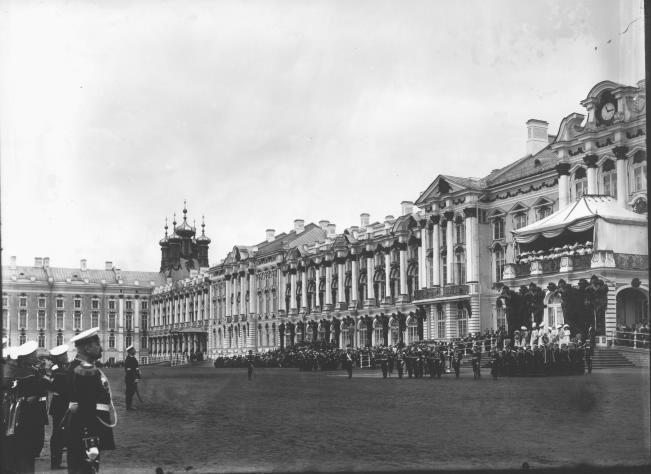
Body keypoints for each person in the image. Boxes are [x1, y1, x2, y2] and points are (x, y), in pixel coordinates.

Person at [65, 327, 116, 474]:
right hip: (86, 430)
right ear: (87, 348)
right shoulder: (83, 370)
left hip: (85, 428)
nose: (101, 348)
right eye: (97, 344)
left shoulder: (79, 367)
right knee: (85, 468)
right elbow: (85, 405)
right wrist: (90, 435)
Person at [4, 341, 49, 473]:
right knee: (27, 453)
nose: (36, 356)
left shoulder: (29, 371)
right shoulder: (27, 374)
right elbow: (45, 386)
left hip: (28, 418)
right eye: (34, 354)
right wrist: (46, 372)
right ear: (27, 358)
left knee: (26, 453)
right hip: (29, 419)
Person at [48, 344, 71, 470]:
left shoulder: (59, 368)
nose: (67, 357)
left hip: (59, 404)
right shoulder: (59, 371)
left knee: (60, 433)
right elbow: (63, 389)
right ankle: (55, 462)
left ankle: (56, 461)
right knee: (58, 434)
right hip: (60, 405)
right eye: (64, 355)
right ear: (59, 357)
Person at [124, 345, 141, 410]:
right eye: (133, 350)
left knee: (132, 392)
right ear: (130, 351)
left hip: (134, 378)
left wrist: (138, 377)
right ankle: (128, 406)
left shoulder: (134, 359)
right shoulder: (128, 360)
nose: (134, 351)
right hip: (129, 379)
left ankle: (129, 405)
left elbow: (137, 369)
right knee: (129, 392)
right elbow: (128, 370)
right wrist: (134, 377)